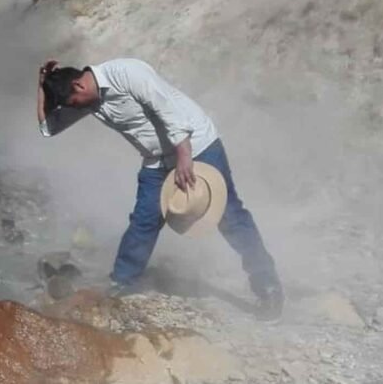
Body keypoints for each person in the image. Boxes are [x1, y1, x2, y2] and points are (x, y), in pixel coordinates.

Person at [36, 57, 283, 320]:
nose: (74, 108)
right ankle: (122, 281)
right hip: (157, 160)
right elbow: (49, 127)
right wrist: (42, 86)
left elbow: (166, 107)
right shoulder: (88, 99)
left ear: (79, 86)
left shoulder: (125, 73)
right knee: (144, 219)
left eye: (73, 102)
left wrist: (184, 155)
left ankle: (267, 287)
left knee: (229, 215)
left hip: (196, 146)